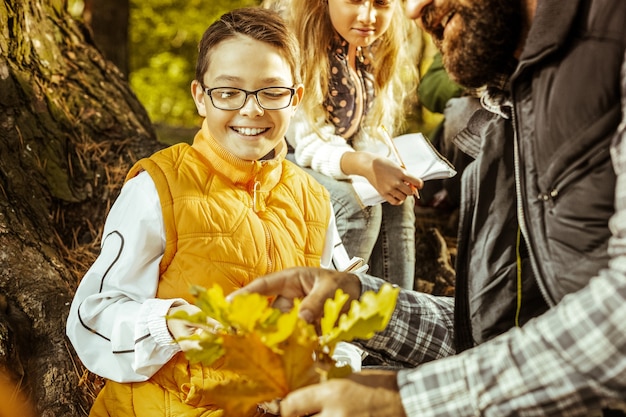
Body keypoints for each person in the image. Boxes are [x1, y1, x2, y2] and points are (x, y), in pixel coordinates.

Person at [229, 0, 626, 415]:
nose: (414, 9)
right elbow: (499, 337)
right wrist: (363, 306)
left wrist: (408, 400)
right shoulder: (509, 112)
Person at [65, 7, 367, 417]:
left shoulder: (312, 198)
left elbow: (338, 319)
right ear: (200, 97)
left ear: (295, 98)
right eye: (229, 92)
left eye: (271, 91)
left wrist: (320, 377)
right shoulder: (157, 188)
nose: (252, 110)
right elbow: (93, 315)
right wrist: (167, 323)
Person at [262, 0, 421, 290]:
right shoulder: (296, 43)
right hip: (279, 160)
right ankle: (332, 314)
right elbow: (308, 142)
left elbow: (367, 129)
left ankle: (397, 313)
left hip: (331, 158)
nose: (368, 16)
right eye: (354, 0)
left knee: (398, 198)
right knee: (356, 206)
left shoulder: (370, 48)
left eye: (382, 3)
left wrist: (383, 166)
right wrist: (364, 165)